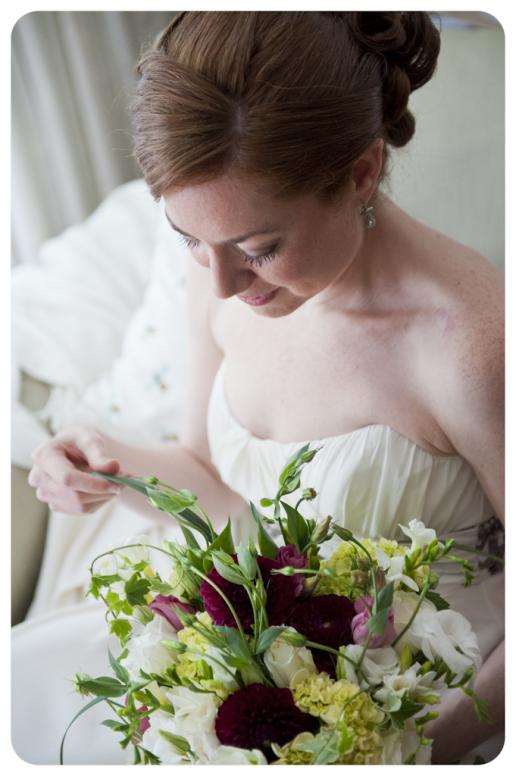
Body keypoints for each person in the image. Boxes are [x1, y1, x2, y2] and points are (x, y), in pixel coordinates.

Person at [13, 11, 504, 764]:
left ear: (363, 171)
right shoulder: (215, 272)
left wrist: (408, 749)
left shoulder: (471, 345)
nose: (220, 282)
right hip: (266, 688)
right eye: (189, 241)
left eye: (259, 248)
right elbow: (211, 478)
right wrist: (105, 463)